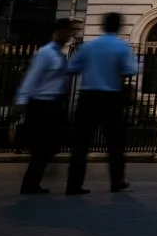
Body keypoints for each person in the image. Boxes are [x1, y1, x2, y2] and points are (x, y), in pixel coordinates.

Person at [66, 12, 140, 194]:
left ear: (103, 26)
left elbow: (72, 67)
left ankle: (74, 184)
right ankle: (116, 181)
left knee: (81, 143)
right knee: (115, 143)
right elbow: (131, 69)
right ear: (118, 27)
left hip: (88, 96)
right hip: (111, 98)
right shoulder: (121, 47)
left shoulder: (90, 46)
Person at [15, 17, 76, 194]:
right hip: (41, 105)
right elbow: (32, 77)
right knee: (43, 146)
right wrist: (21, 101)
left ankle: (34, 180)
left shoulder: (60, 55)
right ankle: (30, 183)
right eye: (68, 31)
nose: (70, 35)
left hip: (54, 105)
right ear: (58, 32)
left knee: (51, 144)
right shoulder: (46, 53)